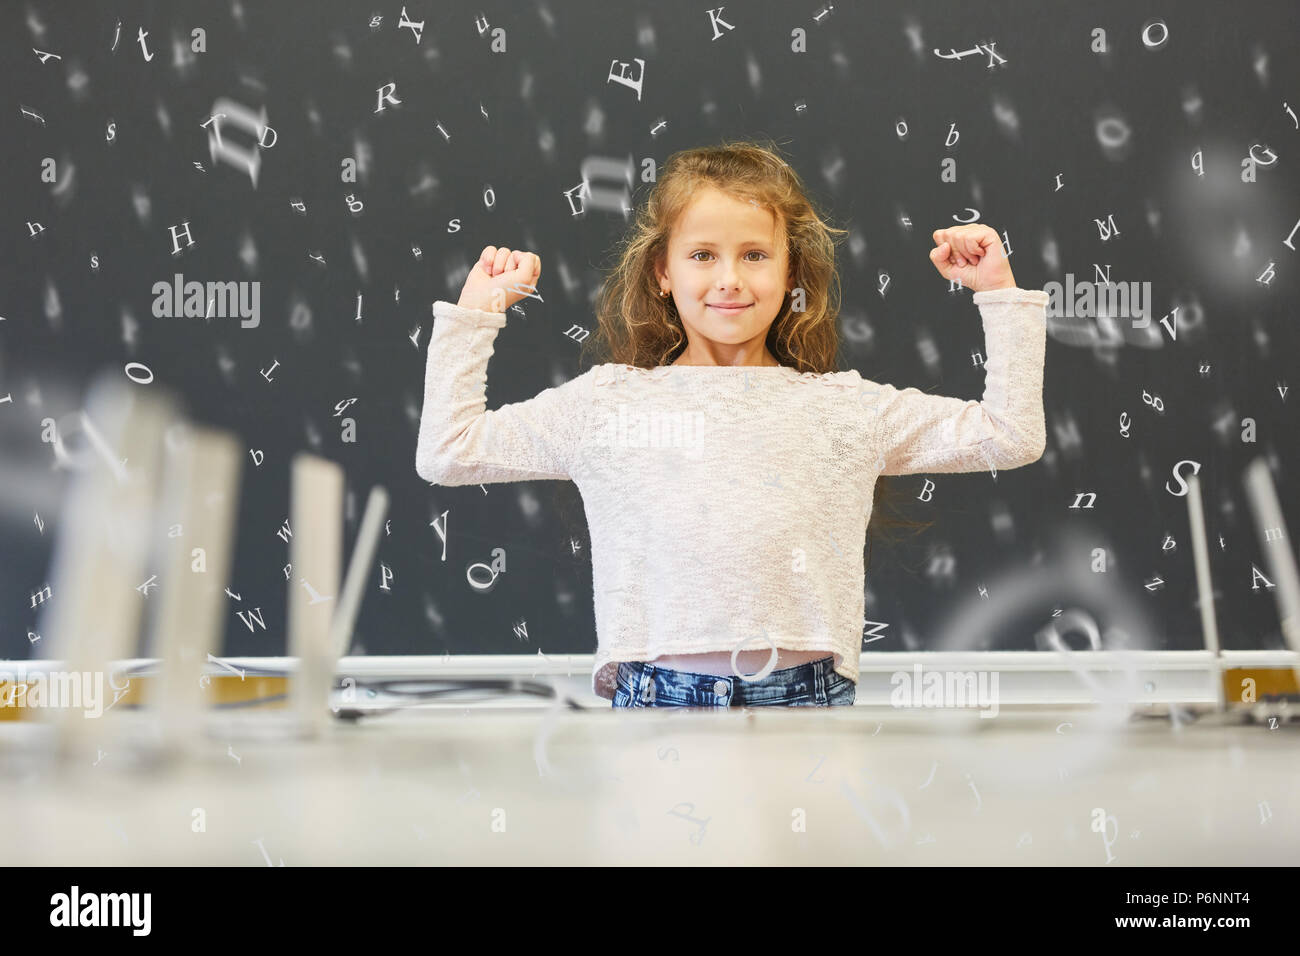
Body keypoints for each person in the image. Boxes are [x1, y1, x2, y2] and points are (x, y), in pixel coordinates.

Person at [416, 140, 1048, 708]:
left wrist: (996, 292)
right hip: (654, 699)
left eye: (753, 254)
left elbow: (1010, 433)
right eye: (701, 254)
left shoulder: (844, 407)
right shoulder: (607, 405)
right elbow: (449, 451)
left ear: (789, 273)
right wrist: (477, 315)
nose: (729, 279)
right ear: (663, 273)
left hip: (806, 700)